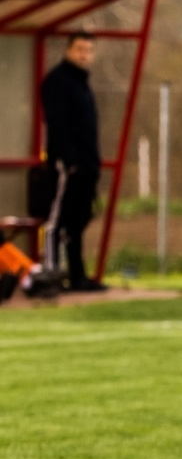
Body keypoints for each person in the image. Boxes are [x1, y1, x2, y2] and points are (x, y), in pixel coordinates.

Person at [39, 31, 105, 292]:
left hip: (87, 164)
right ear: (68, 49)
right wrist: (69, 159)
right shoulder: (57, 82)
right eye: (79, 49)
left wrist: (92, 162)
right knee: (57, 221)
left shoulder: (82, 83)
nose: (84, 55)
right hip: (67, 164)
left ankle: (77, 276)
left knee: (79, 218)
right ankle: (50, 275)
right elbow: (57, 125)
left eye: (88, 50)